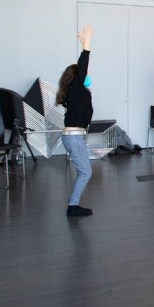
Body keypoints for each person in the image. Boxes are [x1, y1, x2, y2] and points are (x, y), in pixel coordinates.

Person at [57, 25, 96, 218]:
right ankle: (73, 206)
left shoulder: (76, 92)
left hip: (74, 136)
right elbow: (83, 67)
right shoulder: (77, 88)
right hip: (74, 137)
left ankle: (73, 204)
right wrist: (86, 46)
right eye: (83, 74)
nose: (87, 75)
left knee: (84, 171)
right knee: (86, 172)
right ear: (77, 77)